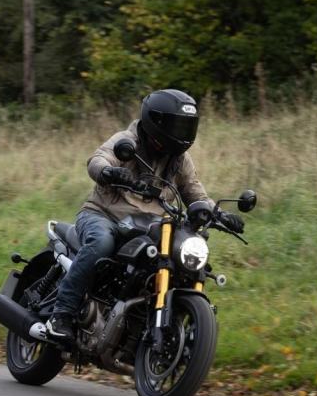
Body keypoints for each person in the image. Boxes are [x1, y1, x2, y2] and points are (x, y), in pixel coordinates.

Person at [45, 89, 245, 342]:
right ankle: (61, 315)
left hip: (149, 226)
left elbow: (195, 192)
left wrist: (219, 214)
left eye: (187, 126)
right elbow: (98, 159)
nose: (183, 132)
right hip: (103, 216)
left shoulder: (180, 159)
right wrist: (109, 172)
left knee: (182, 261)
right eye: (177, 125)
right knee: (101, 243)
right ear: (157, 122)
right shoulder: (127, 141)